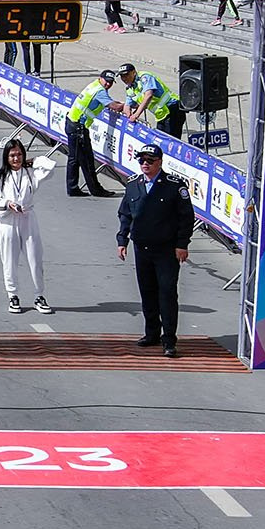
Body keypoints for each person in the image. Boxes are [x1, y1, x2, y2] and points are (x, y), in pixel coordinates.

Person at [116, 143, 194, 357]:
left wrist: (182, 244)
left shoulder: (173, 186)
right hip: (143, 248)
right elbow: (125, 214)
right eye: (141, 160)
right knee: (147, 292)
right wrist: (122, 240)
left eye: (149, 161)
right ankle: (151, 333)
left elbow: (186, 217)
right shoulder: (133, 184)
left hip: (166, 250)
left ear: (159, 162)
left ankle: (169, 340)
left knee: (167, 293)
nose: (145, 164)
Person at [0, 139, 57, 314]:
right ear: (6, 157)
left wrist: (31, 161)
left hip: (28, 218)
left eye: (19, 154)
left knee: (35, 258)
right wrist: (7, 204)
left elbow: (50, 166)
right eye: (12, 155)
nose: (15, 158)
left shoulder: (31, 174)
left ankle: (39, 296)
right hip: (8, 221)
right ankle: (13, 295)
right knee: (9, 259)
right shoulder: (0, 177)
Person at [64, 69, 118, 196]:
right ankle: (96, 190)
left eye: (111, 82)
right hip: (78, 128)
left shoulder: (94, 85)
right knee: (87, 160)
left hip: (73, 123)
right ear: (101, 78)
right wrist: (128, 106)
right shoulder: (99, 91)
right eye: (106, 81)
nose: (108, 84)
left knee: (74, 159)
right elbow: (114, 106)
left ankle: (72, 188)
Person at [118, 63, 185, 139]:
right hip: (162, 114)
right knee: (160, 140)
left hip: (172, 108)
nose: (124, 78)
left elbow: (148, 96)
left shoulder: (144, 77)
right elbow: (127, 105)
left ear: (134, 72)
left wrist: (136, 115)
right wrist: (128, 114)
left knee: (171, 141)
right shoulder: (130, 88)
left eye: (126, 75)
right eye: (122, 76)